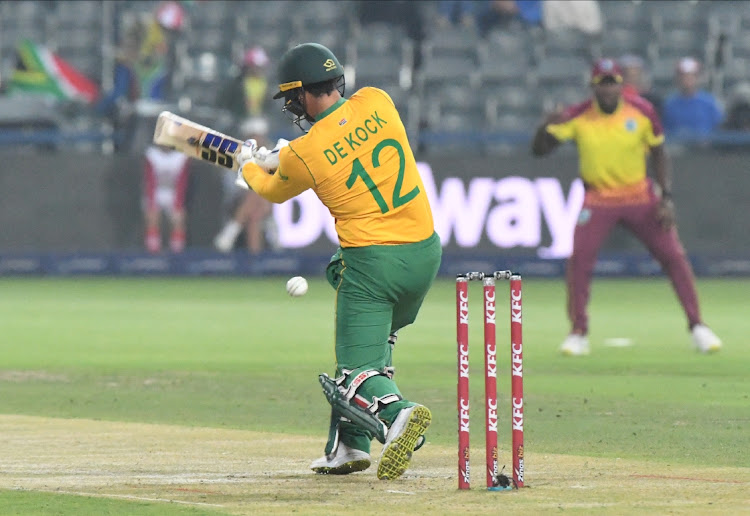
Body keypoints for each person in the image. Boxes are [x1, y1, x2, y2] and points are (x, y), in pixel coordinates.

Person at [236, 43, 442, 480]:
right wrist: (281, 156)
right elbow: (338, 141)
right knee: (362, 327)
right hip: (424, 254)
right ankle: (350, 446)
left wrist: (248, 164)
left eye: (293, 97)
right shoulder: (377, 100)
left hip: (374, 265)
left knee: (356, 371)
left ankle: (398, 414)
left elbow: (272, 189)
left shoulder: (304, 154)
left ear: (306, 93)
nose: (293, 106)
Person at [531, 58, 722, 356]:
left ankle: (698, 326)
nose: (608, 90)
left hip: (639, 197)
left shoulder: (641, 111)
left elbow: (659, 153)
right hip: (598, 199)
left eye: (613, 83)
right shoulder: (579, 115)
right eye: (602, 84)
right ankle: (578, 331)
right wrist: (545, 126)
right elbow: (540, 151)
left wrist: (665, 197)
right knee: (580, 259)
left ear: (621, 86)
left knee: (673, 256)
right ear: (593, 87)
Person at [213, 117, 278, 254]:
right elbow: (231, 184)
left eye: (260, 136)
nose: (258, 140)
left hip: (263, 201)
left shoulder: (272, 155)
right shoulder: (236, 153)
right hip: (237, 198)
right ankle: (273, 231)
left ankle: (233, 235)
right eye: (254, 136)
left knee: (254, 216)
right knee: (254, 197)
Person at [143, 143, 190, 253]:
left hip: (174, 193)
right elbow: (149, 179)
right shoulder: (152, 155)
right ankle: (153, 248)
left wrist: (177, 203)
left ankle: (177, 249)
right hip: (156, 191)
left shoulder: (181, 157)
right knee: (152, 215)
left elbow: (183, 181)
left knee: (178, 217)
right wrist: (152, 202)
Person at [662, 57, 723, 138]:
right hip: (677, 148)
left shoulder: (710, 103)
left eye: (691, 76)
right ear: (677, 78)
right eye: (683, 76)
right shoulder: (670, 105)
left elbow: (719, 129)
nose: (687, 79)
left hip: (706, 148)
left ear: (698, 78)